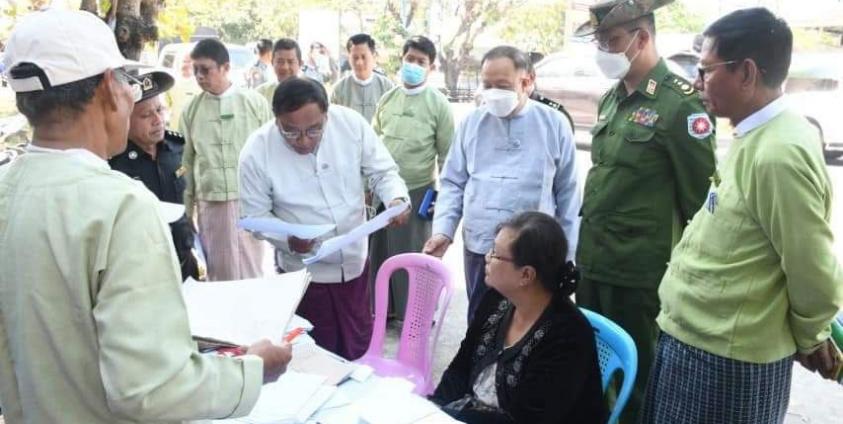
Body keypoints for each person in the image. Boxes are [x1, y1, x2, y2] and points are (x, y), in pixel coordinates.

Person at [0, 9, 290, 423]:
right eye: (129, 84)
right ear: (106, 88)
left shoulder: (8, 189)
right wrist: (253, 369)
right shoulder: (120, 205)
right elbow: (154, 390)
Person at [641, 8, 843, 423]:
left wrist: (812, 335)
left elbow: (811, 266)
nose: (697, 82)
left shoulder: (778, 154)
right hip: (700, 343)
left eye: (706, 69)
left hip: (727, 361)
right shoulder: (756, 133)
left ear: (747, 73)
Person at [572, 1, 717, 421]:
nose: (605, 50)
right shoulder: (612, 100)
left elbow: (702, 205)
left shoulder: (680, 106)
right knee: (594, 372)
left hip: (639, 273)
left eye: (612, 41)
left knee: (636, 383)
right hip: (595, 262)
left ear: (642, 38)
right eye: (600, 41)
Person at [239, 77, 410, 359]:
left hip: (354, 266)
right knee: (314, 359)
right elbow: (254, 215)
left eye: (314, 129)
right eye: (291, 132)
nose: (304, 140)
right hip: (303, 277)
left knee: (360, 351)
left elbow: (383, 172)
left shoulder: (351, 125)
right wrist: (289, 240)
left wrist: (396, 198)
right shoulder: (257, 150)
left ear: (326, 114)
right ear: (277, 120)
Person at [424, 45, 580, 323]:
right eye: (487, 84)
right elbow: (453, 183)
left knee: (529, 327)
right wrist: (443, 230)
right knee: (481, 324)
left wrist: (566, 255)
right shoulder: (471, 123)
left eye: (503, 85)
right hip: (482, 246)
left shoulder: (554, 124)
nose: (493, 92)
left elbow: (568, 195)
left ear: (527, 81)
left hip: (534, 253)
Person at [430, 212, 606, 423]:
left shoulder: (568, 336)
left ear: (526, 275)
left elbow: (530, 418)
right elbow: (460, 369)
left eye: (495, 253)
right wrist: (434, 411)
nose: (487, 257)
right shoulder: (495, 300)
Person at [370, 35, 454, 319]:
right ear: (401, 60)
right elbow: (371, 145)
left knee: (415, 256)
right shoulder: (388, 98)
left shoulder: (439, 104)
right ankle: (385, 310)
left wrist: (441, 202)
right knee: (380, 253)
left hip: (419, 192)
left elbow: (447, 158)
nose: (413, 66)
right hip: (383, 193)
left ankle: (416, 313)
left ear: (430, 68)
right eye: (410, 59)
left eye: (421, 62)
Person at [180, 38, 272, 281]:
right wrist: (187, 210)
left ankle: (254, 318)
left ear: (225, 67)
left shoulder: (254, 102)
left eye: (206, 69)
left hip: (249, 201)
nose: (199, 76)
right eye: (196, 70)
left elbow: (271, 154)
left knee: (252, 269)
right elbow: (185, 162)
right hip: (211, 203)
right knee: (220, 272)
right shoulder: (191, 110)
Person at [109, 68, 200, 281]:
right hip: (143, 271)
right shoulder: (114, 164)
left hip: (183, 262)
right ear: (126, 119)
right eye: (146, 115)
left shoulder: (175, 148)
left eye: (160, 110)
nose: (158, 120)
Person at [330, 33, 395, 122]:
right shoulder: (339, 89)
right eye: (355, 58)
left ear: (373, 56)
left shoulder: (387, 87)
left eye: (364, 57)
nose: (359, 62)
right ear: (349, 58)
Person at [255, 38, 303, 104]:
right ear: (272, 62)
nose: (285, 67)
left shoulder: (311, 94)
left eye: (290, 62)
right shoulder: (260, 94)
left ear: (300, 63)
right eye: (280, 61)